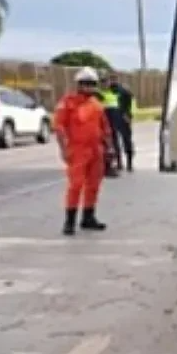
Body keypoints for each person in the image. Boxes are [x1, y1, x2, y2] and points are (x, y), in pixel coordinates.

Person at [54, 67, 111, 235]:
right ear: (78, 84)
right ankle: (70, 221)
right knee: (76, 186)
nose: (89, 88)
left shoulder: (97, 104)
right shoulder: (67, 103)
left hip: (96, 150)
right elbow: (59, 127)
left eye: (92, 84)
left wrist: (110, 147)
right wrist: (63, 149)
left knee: (93, 186)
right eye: (85, 84)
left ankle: (88, 217)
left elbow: (105, 128)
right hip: (77, 150)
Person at [102, 73, 135, 172]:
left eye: (111, 80)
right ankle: (119, 162)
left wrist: (129, 115)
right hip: (112, 119)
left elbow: (131, 103)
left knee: (126, 141)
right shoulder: (104, 93)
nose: (109, 82)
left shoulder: (124, 91)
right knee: (114, 141)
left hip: (123, 118)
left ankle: (129, 163)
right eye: (106, 81)